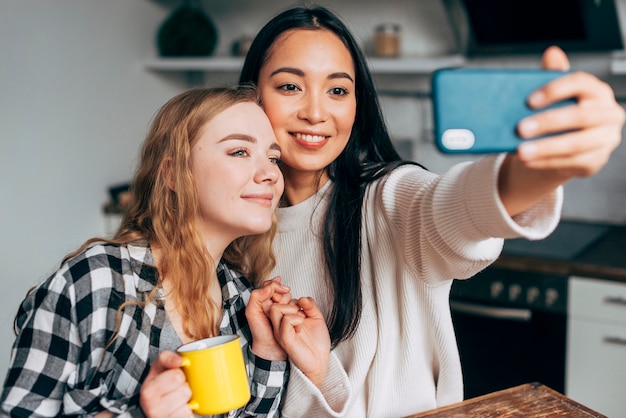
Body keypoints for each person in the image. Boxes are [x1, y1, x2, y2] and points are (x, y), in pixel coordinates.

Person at [232, 5, 625, 418]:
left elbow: (456, 205)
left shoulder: (388, 199)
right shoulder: (236, 223)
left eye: (337, 90)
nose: (316, 112)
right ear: (251, 96)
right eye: (290, 87)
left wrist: (537, 168)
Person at [0, 85, 334, 417]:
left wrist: (269, 353)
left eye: (273, 158)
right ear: (173, 173)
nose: (271, 175)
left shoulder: (244, 304)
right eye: (239, 152)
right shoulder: (97, 282)